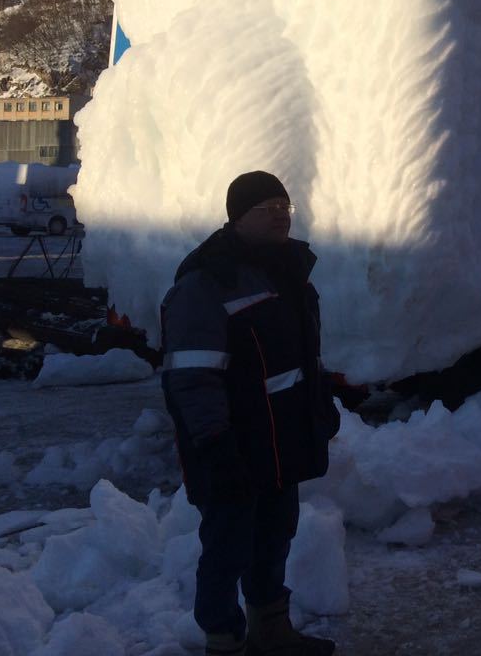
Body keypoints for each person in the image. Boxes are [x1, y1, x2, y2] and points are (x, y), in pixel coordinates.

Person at [161, 171, 340, 656]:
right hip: (232, 443)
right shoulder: (206, 284)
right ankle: (223, 641)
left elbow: (302, 356)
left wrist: (319, 401)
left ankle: (271, 629)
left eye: (285, 205)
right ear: (237, 217)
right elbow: (191, 375)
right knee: (227, 546)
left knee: (275, 535)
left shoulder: (289, 272)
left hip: (281, 440)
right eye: (267, 207)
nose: (281, 214)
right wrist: (214, 444)